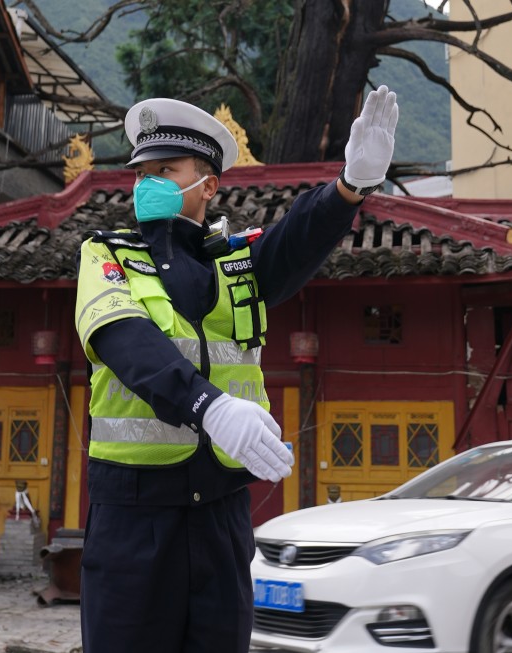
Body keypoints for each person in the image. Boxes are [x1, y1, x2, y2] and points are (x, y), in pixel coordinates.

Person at [74, 86, 399, 653]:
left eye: (166, 169)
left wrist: (351, 186)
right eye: (141, 172)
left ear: (209, 185)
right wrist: (210, 406)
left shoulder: (239, 263)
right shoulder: (107, 256)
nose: (147, 183)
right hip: (133, 516)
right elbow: (127, 343)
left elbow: (297, 238)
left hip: (220, 513)